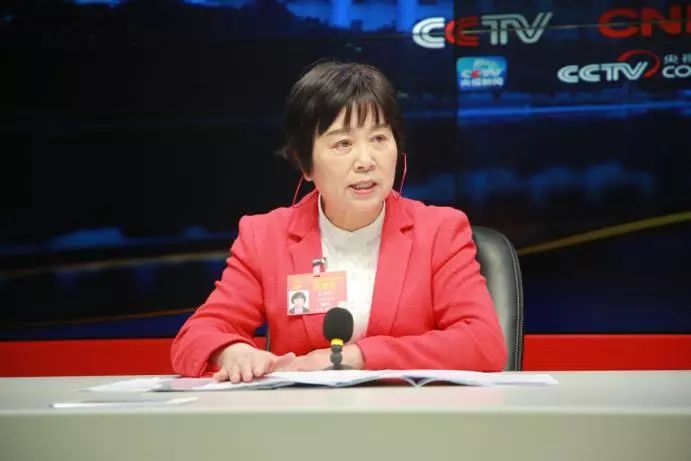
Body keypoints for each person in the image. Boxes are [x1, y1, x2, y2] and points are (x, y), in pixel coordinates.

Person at [171, 61, 507, 383]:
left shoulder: (440, 231)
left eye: (379, 138)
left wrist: (358, 357)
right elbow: (196, 336)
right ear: (305, 164)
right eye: (343, 143)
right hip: (307, 417)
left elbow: (483, 344)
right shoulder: (266, 237)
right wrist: (233, 352)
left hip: (409, 414)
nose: (366, 160)